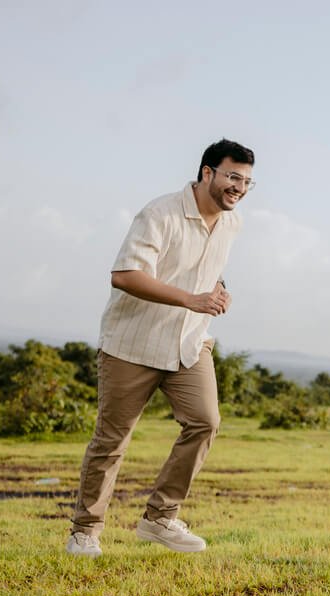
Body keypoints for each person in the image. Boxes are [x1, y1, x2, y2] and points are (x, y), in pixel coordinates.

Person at [66, 139, 255, 558]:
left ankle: (159, 518)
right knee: (111, 440)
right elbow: (124, 275)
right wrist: (191, 299)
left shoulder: (232, 223)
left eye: (246, 182)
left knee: (205, 421)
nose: (239, 188)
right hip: (133, 343)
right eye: (232, 177)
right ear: (207, 173)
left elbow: (207, 269)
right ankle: (85, 531)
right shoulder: (160, 214)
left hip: (188, 342)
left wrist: (218, 290)